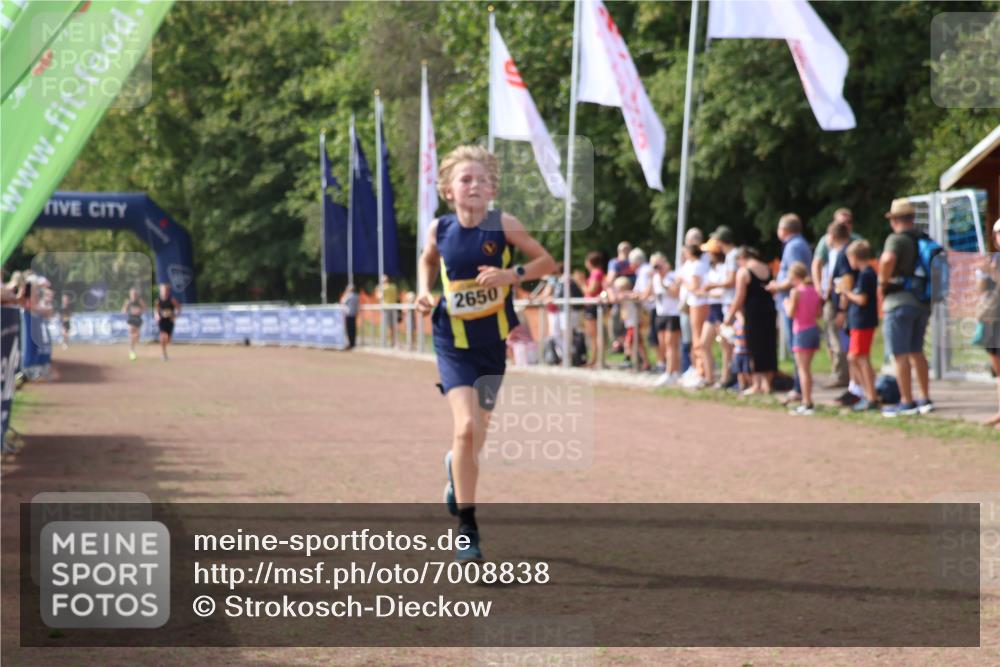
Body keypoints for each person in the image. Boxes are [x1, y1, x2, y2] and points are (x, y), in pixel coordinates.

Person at [415, 145, 555, 562]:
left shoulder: (503, 225)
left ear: (492, 189)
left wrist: (511, 275)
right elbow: (426, 261)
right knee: (465, 429)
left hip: (492, 344)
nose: (474, 185)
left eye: (482, 180)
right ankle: (468, 530)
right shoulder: (438, 229)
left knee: (478, 433)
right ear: (448, 190)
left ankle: (455, 470)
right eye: (465, 179)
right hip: (452, 342)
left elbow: (547, 263)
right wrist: (424, 293)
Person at [878, 198, 933, 417]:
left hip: (899, 302)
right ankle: (925, 398)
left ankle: (907, 401)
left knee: (899, 354)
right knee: (916, 351)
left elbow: (887, 259)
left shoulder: (897, 239)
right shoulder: (923, 238)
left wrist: (883, 282)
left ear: (895, 220)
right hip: (922, 302)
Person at [766, 214, 813, 404]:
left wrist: (777, 286)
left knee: (797, 348)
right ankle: (800, 387)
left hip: (794, 305)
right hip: (796, 303)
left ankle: (799, 388)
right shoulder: (799, 244)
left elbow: (795, 275)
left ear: (784, 230)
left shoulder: (793, 246)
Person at [811, 208, 861, 389]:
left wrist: (841, 309)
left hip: (842, 300)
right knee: (835, 338)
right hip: (837, 298)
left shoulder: (844, 253)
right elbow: (818, 264)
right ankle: (847, 378)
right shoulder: (837, 251)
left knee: (839, 339)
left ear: (832, 236)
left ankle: (845, 378)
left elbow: (845, 281)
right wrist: (820, 288)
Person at [724, 247, 777, 395]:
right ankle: (768, 383)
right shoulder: (766, 267)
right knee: (768, 346)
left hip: (753, 312)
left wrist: (729, 316)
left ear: (741, 257)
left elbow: (739, 297)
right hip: (769, 311)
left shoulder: (744, 271)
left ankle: (757, 384)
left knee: (754, 348)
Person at [840, 240, 879, 411]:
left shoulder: (866, 274)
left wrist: (846, 292)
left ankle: (871, 396)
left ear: (854, 257)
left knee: (858, 358)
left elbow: (862, 299)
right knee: (856, 357)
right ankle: (869, 395)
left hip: (863, 322)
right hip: (859, 322)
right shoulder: (863, 274)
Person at [784, 262, 821, 415]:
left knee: (802, 370)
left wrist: (786, 303)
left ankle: (806, 402)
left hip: (801, 331)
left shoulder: (796, 292)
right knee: (807, 369)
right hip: (813, 329)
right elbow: (818, 313)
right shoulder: (814, 290)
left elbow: (791, 313)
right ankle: (807, 400)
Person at [976, 219, 1000, 427]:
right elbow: (982, 290)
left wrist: (993, 272)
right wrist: (984, 272)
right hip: (994, 319)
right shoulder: (994, 260)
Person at [698, 238, 729, 387]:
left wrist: (707, 293)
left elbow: (723, 292)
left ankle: (724, 379)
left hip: (720, 309)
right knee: (703, 344)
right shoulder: (712, 269)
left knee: (725, 345)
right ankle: (709, 378)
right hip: (712, 308)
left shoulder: (724, 268)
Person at [679, 243, 709, 388]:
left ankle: (701, 370)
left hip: (698, 303)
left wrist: (684, 281)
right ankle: (698, 368)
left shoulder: (697, 266)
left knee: (697, 338)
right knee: (695, 338)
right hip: (694, 303)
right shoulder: (695, 264)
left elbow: (695, 287)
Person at [651, 255, 683, 387]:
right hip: (661, 314)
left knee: (671, 345)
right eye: (655, 267)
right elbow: (648, 293)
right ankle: (671, 370)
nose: (657, 269)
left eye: (659, 266)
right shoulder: (655, 278)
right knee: (663, 345)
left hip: (673, 314)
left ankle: (671, 372)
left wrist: (664, 284)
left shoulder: (672, 277)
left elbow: (676, 293)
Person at [581, 251, 606, 368]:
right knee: (593, 335)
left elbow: (591, 291)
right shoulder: (595, 273)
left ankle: (596, 360)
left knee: (595, 335)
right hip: (590, 307)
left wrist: (581, 283)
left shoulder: (596, 273)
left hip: (593, 307)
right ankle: (595, 359)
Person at [154, 283, 180, 361]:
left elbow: (178, 308)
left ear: (168, 291)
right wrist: (157, 316)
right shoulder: (158, 300)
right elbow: (156, 310)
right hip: (162, 320)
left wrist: (175, 316)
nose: (164, 292)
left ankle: (164, 352)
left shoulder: (172, 299)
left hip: (170, 320)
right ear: (160, 291)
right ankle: (163, 354)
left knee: (168, 339)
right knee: (163, 336)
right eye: (162, 290)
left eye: (165, 290)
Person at [120, 287, 146, 361]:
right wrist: (126, 307)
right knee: (131, 333)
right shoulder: (128, 301)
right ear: (130, 295)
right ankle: (131, 351)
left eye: (135, 294)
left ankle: (132, 347)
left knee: (137, 336)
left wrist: (139, 311)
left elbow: (145, 309)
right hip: (131, 319)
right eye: (132, 294)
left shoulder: (140, 301)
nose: (134, 295)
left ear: (137, 294)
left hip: (138, 319)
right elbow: (123, 311)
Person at [376, 274, 399, 347]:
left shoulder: (382, 288)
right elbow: (396, 296)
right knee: (392, 326)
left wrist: (378, 289)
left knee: (384, 326)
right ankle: (393, 341)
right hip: (393, 308)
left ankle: (384, 342)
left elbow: (379, 297)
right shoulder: (393, 287)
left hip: (386, 309)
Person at [340, 284, 359, 349]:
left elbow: (343, 301)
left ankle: (351, 343)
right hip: (354, 313)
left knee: (349, 329)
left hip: (348, 314)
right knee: (353, 329)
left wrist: (345, 293)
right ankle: (353, 343)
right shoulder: (357, 296)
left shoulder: (348, 295)